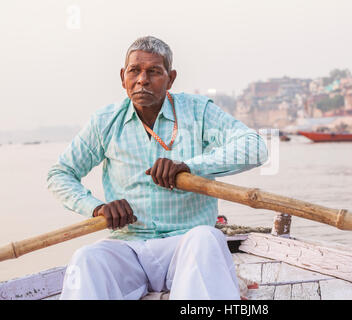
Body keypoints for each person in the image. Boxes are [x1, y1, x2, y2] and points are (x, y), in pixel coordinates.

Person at [47, 35, 268, 300]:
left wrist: (189, 167)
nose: (142, 80)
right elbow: (60, 175)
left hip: (186, 244)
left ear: (170, 78)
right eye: (135, 71)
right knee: (87, 258)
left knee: (206, 239)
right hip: (129, 246)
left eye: (153, 71)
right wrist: (97, 208)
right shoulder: (105, 122)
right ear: (123, 77)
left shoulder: (198, 111)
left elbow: (256, 147)